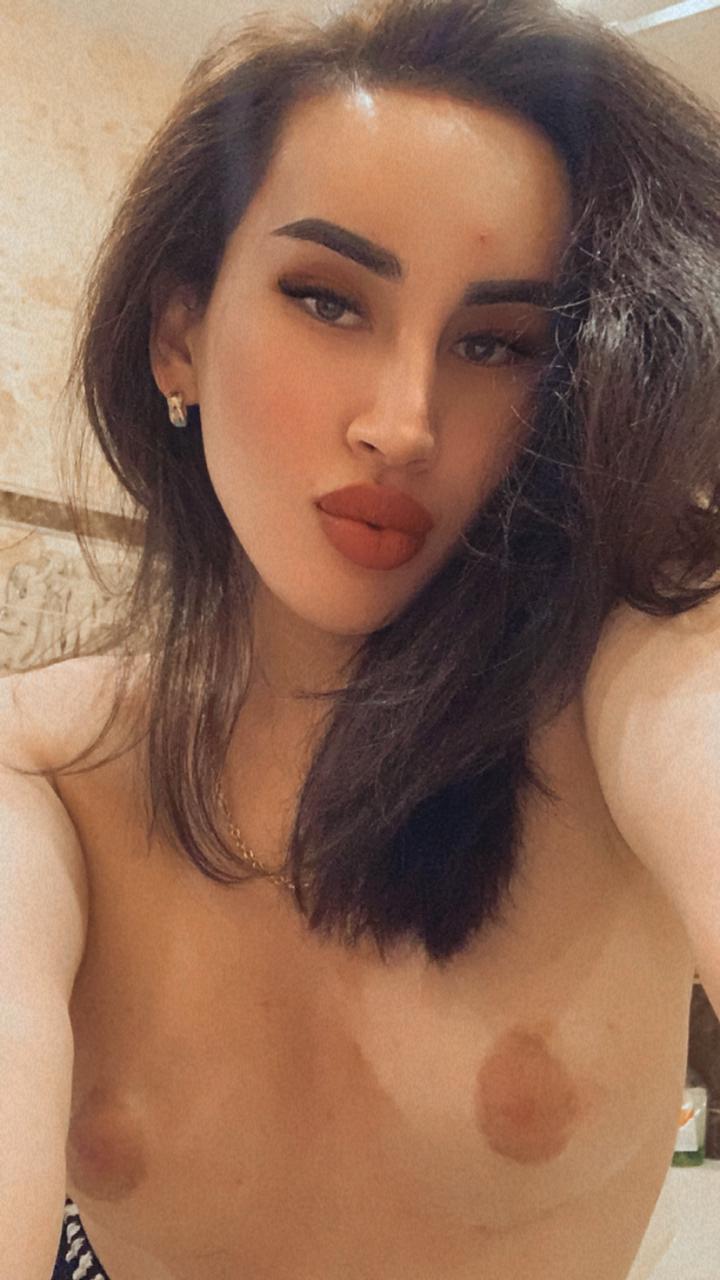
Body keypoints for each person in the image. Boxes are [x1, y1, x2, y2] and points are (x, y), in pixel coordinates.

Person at [2, 0, 719, 1275]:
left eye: (496, 342)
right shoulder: (43, 763)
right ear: (179, 334)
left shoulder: (631, 683)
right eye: (328, 300)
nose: (403, 422)